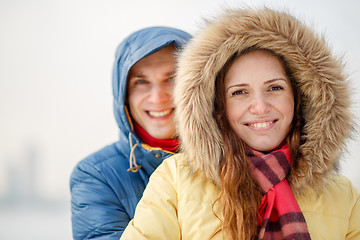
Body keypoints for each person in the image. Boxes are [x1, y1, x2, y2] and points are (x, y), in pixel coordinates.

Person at [121, 8, 360, 240]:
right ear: (217, 106)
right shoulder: (174, 181)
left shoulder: (344, 196)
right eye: (239, 92)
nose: (260, 106)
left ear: (300, 98)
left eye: (275, 88)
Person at [70, 26, 191, 239]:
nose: (157, 97)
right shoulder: (96, 176)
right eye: (141, 82)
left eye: (172, 78)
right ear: (124, 95)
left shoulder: (239, 156)